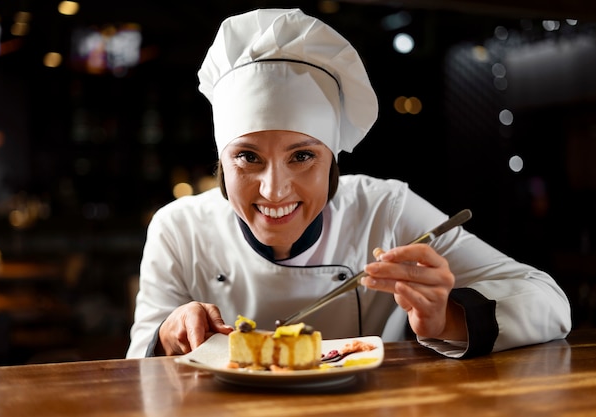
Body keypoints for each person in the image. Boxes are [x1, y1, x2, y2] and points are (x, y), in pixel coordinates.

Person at [126, 8, 571, 359]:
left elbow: (549, 303)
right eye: (248, 157)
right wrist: (167, 337)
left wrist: (446, 318)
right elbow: (133, 374)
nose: (274, 190)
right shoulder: (179, 228)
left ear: (333, 160)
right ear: (221, 161)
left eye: (302, 156)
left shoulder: (385, 210)